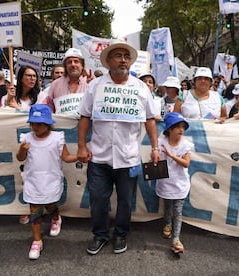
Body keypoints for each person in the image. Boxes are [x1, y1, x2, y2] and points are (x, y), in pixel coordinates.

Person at [77, 40, 160, 255]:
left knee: (126, 201)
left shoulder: (141, 88)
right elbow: (84, 117)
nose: (123, 60)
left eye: (126, 56)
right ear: (108, 62)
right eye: (118, 56)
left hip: (129, 157)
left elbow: (150, 119)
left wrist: (155, 147)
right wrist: (81, 146)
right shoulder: (95, 86)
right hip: (99, 157)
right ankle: (100, 235)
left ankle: (121, 235)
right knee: (98, 200)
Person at [16, 104, 78, 260]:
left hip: (51, 180)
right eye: (33, 123)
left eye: (40, 123)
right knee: (34, 211)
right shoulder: (26, 138)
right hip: (33, 181)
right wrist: (22, 149)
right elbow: (20, 158)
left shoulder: (57, 138)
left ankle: (56, 217)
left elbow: (66, 157)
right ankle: (37, 240)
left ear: (48, 123)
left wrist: (80, 156)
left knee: (50, 205)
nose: (36, 127)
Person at [156, 112, 193, 254]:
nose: (181, 130)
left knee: (178, 211)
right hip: (165, 182)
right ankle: (167, 224)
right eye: (177, 126)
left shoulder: (186, 145)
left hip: (180, 183)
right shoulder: (161, 142)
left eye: (182, 127)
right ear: (169, 129)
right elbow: (155, 157)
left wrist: (171, 155)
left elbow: (186, 163)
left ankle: (176, 239)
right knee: (167, 205)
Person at [46, 48, 92, 117]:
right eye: (69, 62)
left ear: (82, 65)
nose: (73, 65)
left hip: (86, 127)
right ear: (65, 66)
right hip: (61, 126)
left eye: (76, 61)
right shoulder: (55, 84)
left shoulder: (90, 83)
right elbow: (49, 106)